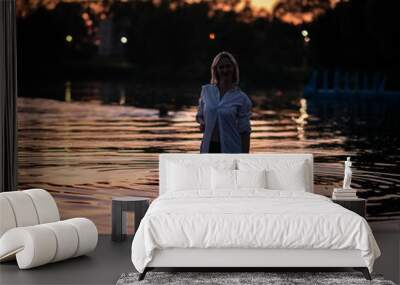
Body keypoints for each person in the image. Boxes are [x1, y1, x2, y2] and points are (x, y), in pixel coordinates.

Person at [196, 51, 252, 153]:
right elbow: (200, 116)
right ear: (216, 70)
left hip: (231, 149)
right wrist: (202, 123)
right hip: (208, 148)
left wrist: (244, 158)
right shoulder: (206, 91)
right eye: (221, 67)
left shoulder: (241, 98)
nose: (225, 70)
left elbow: (245, 132)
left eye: (228, 66)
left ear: (234, 69)